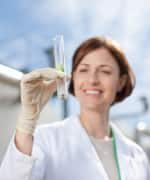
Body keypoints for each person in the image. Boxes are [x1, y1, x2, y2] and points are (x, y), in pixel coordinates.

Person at [0, 36, 149, 180]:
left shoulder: (137, 156)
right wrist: (26, 123)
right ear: (73, 77)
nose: (92, 80)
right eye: (83, 70)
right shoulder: (43, 140)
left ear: (121, 82)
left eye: (105, 71)